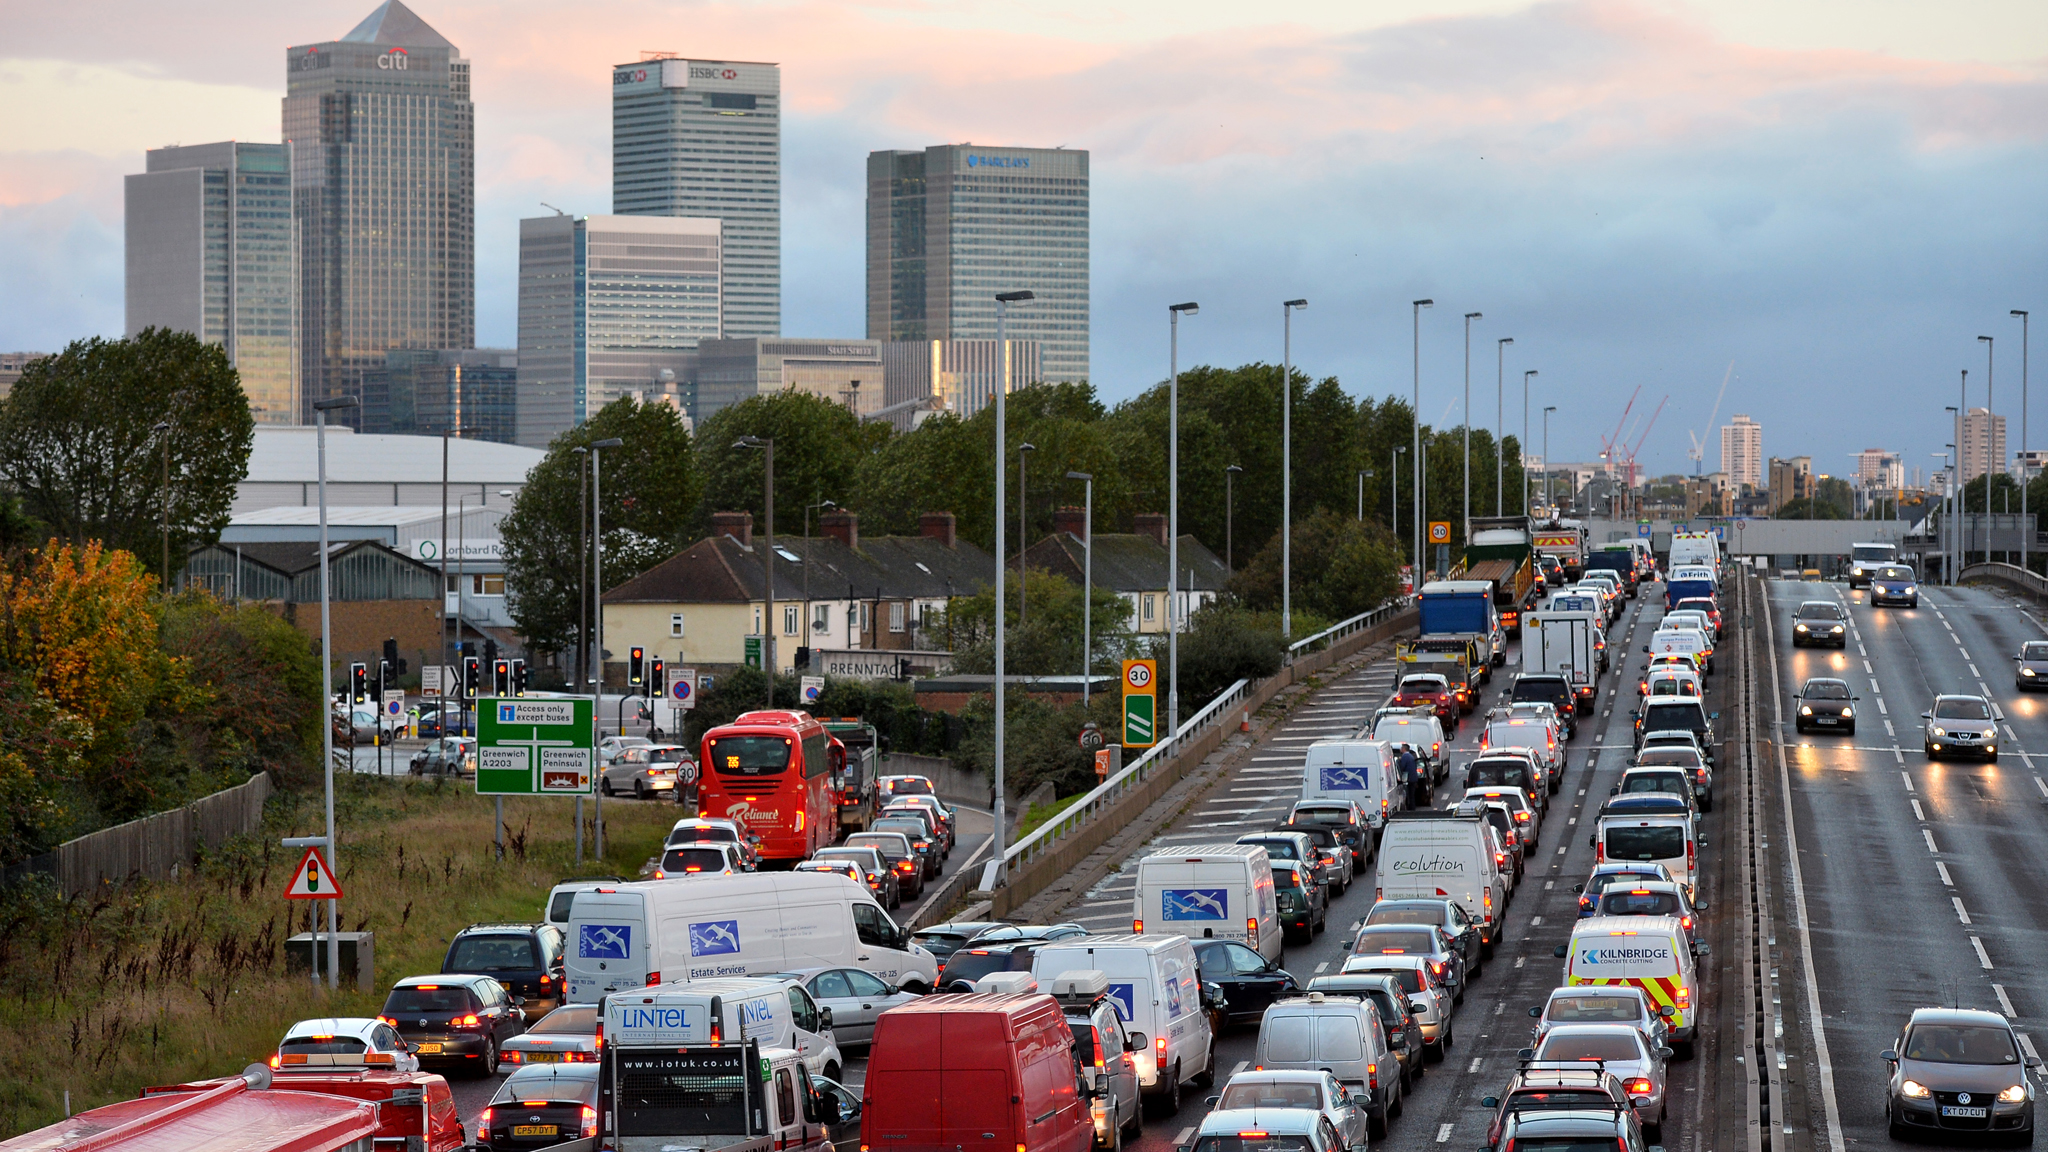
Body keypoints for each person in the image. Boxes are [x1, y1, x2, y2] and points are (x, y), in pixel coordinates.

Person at [1397, 744, 1428, 810]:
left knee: (1409, 795)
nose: (1400, 749)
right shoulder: (1410, 756)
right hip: (1413, 779)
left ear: (1404, 749)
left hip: (1409, 779)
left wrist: (1399, 762)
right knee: (1412, 795)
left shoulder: (1405, 756)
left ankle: (1411, 809)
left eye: (1401, 748)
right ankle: (1412, 808)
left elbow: (1402, 767)